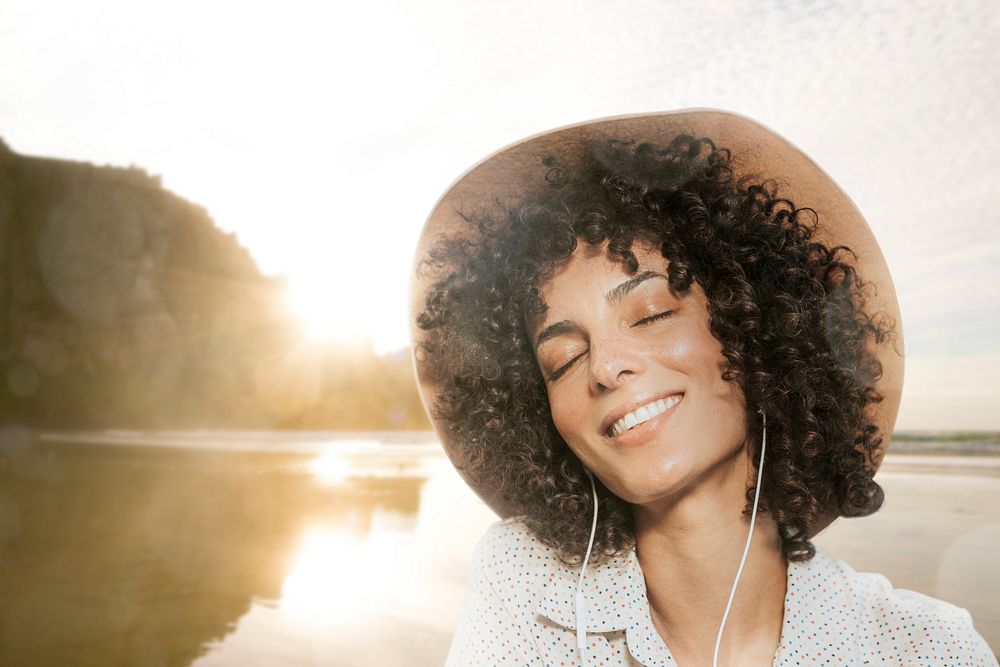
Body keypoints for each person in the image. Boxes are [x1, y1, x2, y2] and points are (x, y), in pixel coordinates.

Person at [409, 110, 997, 666]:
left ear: (756, 330)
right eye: (563, 358)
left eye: (651, 314)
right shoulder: (524, 585)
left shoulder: (925, 648)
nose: (605, 367)